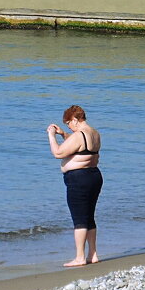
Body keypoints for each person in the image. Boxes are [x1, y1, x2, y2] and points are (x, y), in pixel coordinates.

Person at [46, 105, 103, 267]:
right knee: (89, 216)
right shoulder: (94, 133)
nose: (69, 127)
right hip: (94, 176)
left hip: (79, 179)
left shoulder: (79, 135)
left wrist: (51, 136)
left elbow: (58, 153)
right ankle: (93, 254)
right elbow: (80, 146)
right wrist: (64, 134)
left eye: (69, 124)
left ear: (75, 120)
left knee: (79, 219)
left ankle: (79, 257)